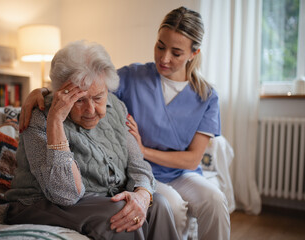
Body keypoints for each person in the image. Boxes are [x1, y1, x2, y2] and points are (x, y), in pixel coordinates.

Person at [18, 7, 230, 240]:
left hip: (178, 172)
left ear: (193, 53)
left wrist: (142, 158)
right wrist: (44, 91)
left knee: (215, 200)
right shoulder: (133, 76)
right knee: (169, 205)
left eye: (176, 52)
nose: (164, 58)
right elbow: (87, 79)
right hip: (142, 175)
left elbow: (191, 159)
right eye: (160, 46)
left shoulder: (206, 95)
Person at [4, 40, 180, 240]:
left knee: (159, 205)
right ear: (60, 92)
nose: (90, 110)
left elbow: (138, 164)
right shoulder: (40, 115)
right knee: (121, 216)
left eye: (98, 98)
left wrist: (142, 194)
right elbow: (65, 194)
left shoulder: (117, 107)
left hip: (101, 200)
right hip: (40, 203)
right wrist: (56, 121)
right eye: (78, 100)